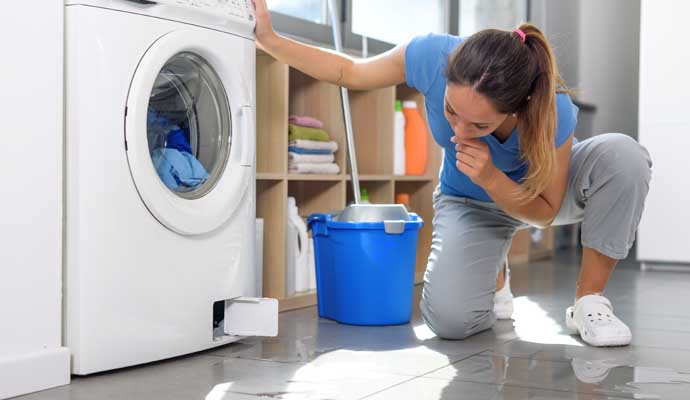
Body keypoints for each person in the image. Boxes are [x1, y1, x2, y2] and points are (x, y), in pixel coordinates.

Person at [251, 0, 652, 347]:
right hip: (469, 202)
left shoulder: (551, 108)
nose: (460, 133)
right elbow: (349, 73)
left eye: (479, 126)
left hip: (542, 194)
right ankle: (493, 270)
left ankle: (588, 303)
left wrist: (493, 177)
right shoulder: (430, 55)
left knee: (624, 155)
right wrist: (271, 40)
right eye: (451, 112)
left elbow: (546, 213)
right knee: (450, 322)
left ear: (517, 107)